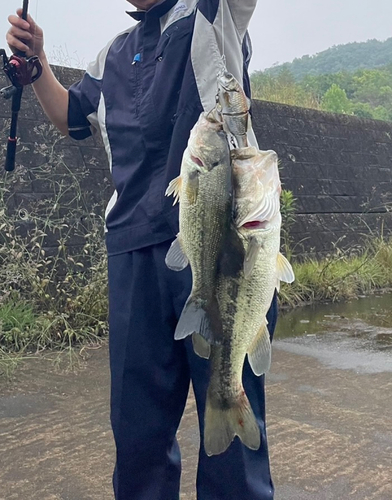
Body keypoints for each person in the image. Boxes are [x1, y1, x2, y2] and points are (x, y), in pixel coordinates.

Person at [6, 1, 278, 499]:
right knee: (138, 434)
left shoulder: (212, 16)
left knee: (231, 437)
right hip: (133, 251)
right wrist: (38, 65)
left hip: (221, 247)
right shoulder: (112, 54)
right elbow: (73, 116)